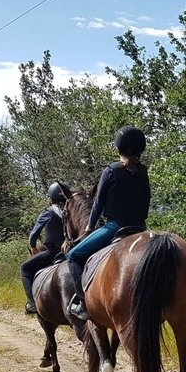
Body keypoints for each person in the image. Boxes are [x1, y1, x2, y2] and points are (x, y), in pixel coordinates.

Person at [65, 126, 151, 320]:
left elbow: (98, 203)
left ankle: (83, 304)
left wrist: (89, 226)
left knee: (73, 256)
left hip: (114, 228)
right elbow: (146, 202)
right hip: (140, 229)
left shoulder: (111, 171)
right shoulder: (143, 172)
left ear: (118, 148)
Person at [20, 182, 69, 314]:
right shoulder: (71, 209)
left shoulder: (48, 212)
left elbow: (34, 234)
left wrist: (33, 246)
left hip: (53, 252)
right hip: (71, 251)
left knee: (25, 268)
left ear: (50, 198)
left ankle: (31, 303)